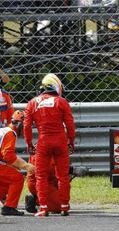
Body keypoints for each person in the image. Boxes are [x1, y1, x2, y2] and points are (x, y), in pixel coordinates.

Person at [24, 73, 76, 217]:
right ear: (56, 86)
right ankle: (65, 206)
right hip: (60, 141)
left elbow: (26, 126)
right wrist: (71, 141)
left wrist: (29, 143)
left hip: (43, 142)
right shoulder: (61, 101)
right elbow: (70, 124)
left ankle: (43, 208)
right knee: (63, 176)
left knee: (41, 176)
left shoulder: (32, 103)